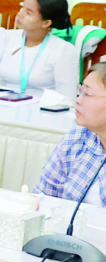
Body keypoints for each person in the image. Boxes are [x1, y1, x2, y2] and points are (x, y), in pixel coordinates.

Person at [37, 62, 106, 207]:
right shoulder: (77, 138)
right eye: (80, 91)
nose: (78, 100)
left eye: (87, 94)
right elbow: (44, 197)